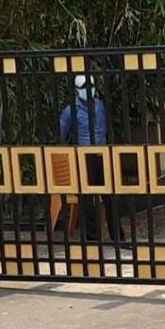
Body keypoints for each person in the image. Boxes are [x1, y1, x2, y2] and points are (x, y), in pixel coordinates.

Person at [59, 75, 125, 241]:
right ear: (76, 90)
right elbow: (62, 135)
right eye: (84, 87)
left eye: (91, 86)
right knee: (87, 198)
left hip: (103, 154)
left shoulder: (100, 106)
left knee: (110, 195)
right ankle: (92, 236)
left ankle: (117, 235)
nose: (88, 90)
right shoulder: (70, 111)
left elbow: (107, 128)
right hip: (84, 156)